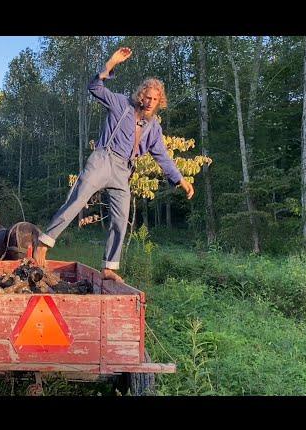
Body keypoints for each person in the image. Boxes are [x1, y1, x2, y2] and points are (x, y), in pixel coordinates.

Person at [33, 47, 194, 283]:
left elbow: (163, 157)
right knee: (77, 199)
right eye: (147, 97)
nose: (149, 102)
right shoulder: (121, 104)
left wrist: (180, 179)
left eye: (155, 99)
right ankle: (44, 242)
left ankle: (109, 267)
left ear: (160, 102)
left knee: (120, 217)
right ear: (141, 95)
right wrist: (110, 65)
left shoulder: (154, 128)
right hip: (103, 159)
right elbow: (95, 88)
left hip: (123, 170)